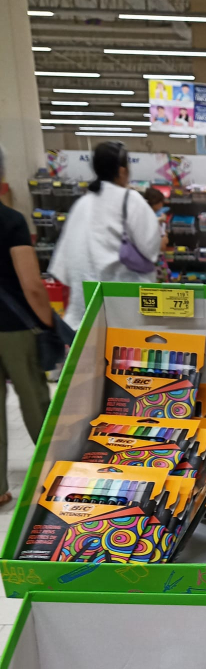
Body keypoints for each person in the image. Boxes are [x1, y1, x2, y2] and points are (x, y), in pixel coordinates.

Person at [49, 141, 161, 329]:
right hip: (121, 315)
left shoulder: (81, 205)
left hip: (82, 316)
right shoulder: (130, 200)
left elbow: (64, 267)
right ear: (122, 171)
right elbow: (151, 249)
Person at [0, 145, 53, 505]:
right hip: (14, 329)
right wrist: (48, 325)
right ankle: (54, 474)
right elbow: (32, 285)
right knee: (34, 400)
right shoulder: (11, 221)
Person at [144, 186, 171, 283]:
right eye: (161, 202)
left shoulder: (142, 217)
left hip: (146, 261)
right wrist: (165, 236)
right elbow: (162, 246)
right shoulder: (155, 220)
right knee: (161, 287)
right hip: (157, 259)